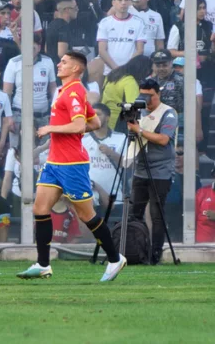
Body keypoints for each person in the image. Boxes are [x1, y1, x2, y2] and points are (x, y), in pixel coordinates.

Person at [18, 51, 126, 281]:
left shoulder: (75, 90)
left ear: (77, 68)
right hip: (54, 162)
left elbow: (78, 125)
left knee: (87, 215)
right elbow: (94, 122)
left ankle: (116, 258)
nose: (59, 64)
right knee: (39, 209)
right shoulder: (63, 90)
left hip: (72, 164)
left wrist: (51, 129)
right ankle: (43, 264)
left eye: (65, 62)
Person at [127, 78, 177, 265]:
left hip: (160, 171)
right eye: (143, 95)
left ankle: (155, 254)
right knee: (135, 212)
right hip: (140, 169)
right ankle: (134, 251)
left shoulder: (168, 113)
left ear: (158, 94)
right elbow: (132, 138)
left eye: (151, 96)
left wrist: (139, 130)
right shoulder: (137, 112)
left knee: (157, 214)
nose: (147, 100)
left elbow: (164, 139)